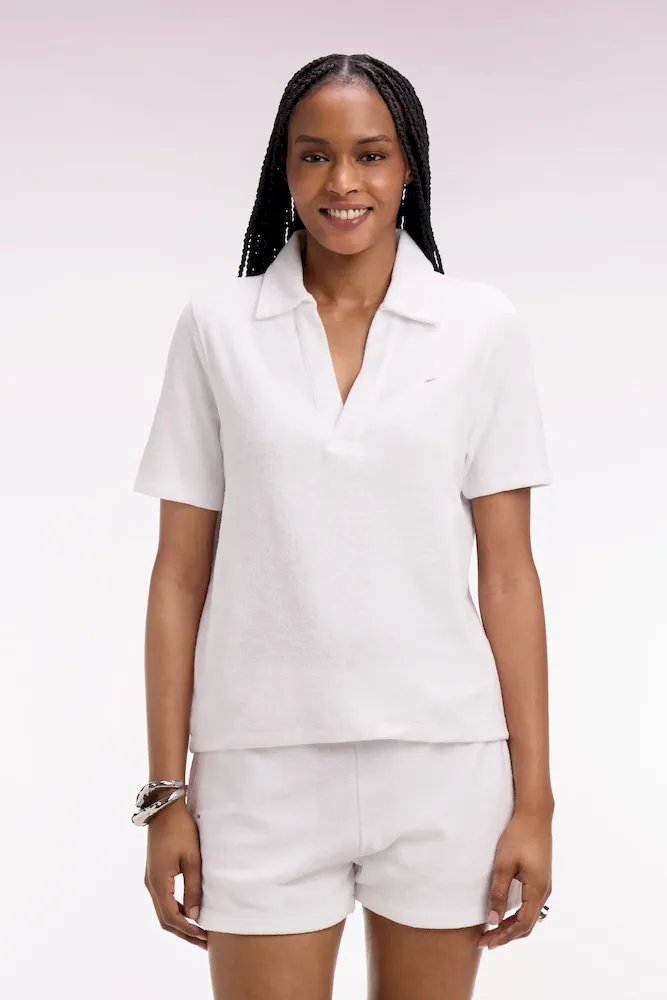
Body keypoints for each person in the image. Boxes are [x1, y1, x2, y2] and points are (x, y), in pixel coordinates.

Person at [131, 52, 554, 1000]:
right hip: (258, 772)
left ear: (409, 169)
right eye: (314, 155)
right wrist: (165, 795)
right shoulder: (217, 327)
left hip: (444, 765)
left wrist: (534, 801)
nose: (342, 182)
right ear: (283, 170)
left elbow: (508, 577)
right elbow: (178, 577)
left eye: (370, 154)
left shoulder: (480, 326)